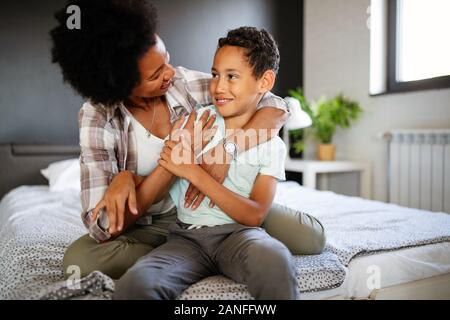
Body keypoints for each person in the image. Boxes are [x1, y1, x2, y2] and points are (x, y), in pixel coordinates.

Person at [50, 0, 325, 280]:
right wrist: (162, 164)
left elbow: (274, 106)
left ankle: (196, 252)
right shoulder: (98, 118)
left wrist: (228, 149)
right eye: (156, 74)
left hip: (213, 205)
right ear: (120, 84)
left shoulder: (183, 84)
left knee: (310, 238)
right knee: (79, 261)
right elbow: (104, 226)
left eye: (166, 60)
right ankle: (198, 255)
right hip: (149, 226)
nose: (170, 73)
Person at [114, 27, 299, 300]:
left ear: (264, 81)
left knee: (276, 259)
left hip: (239, 236)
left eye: (232, 77)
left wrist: (195, 173)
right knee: (136, 283)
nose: (218, 87)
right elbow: (163, 181)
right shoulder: (195, 122)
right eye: (215, 75)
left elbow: (255, 215)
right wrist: (126, 177)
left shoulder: (270, 143)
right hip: (186, 239)